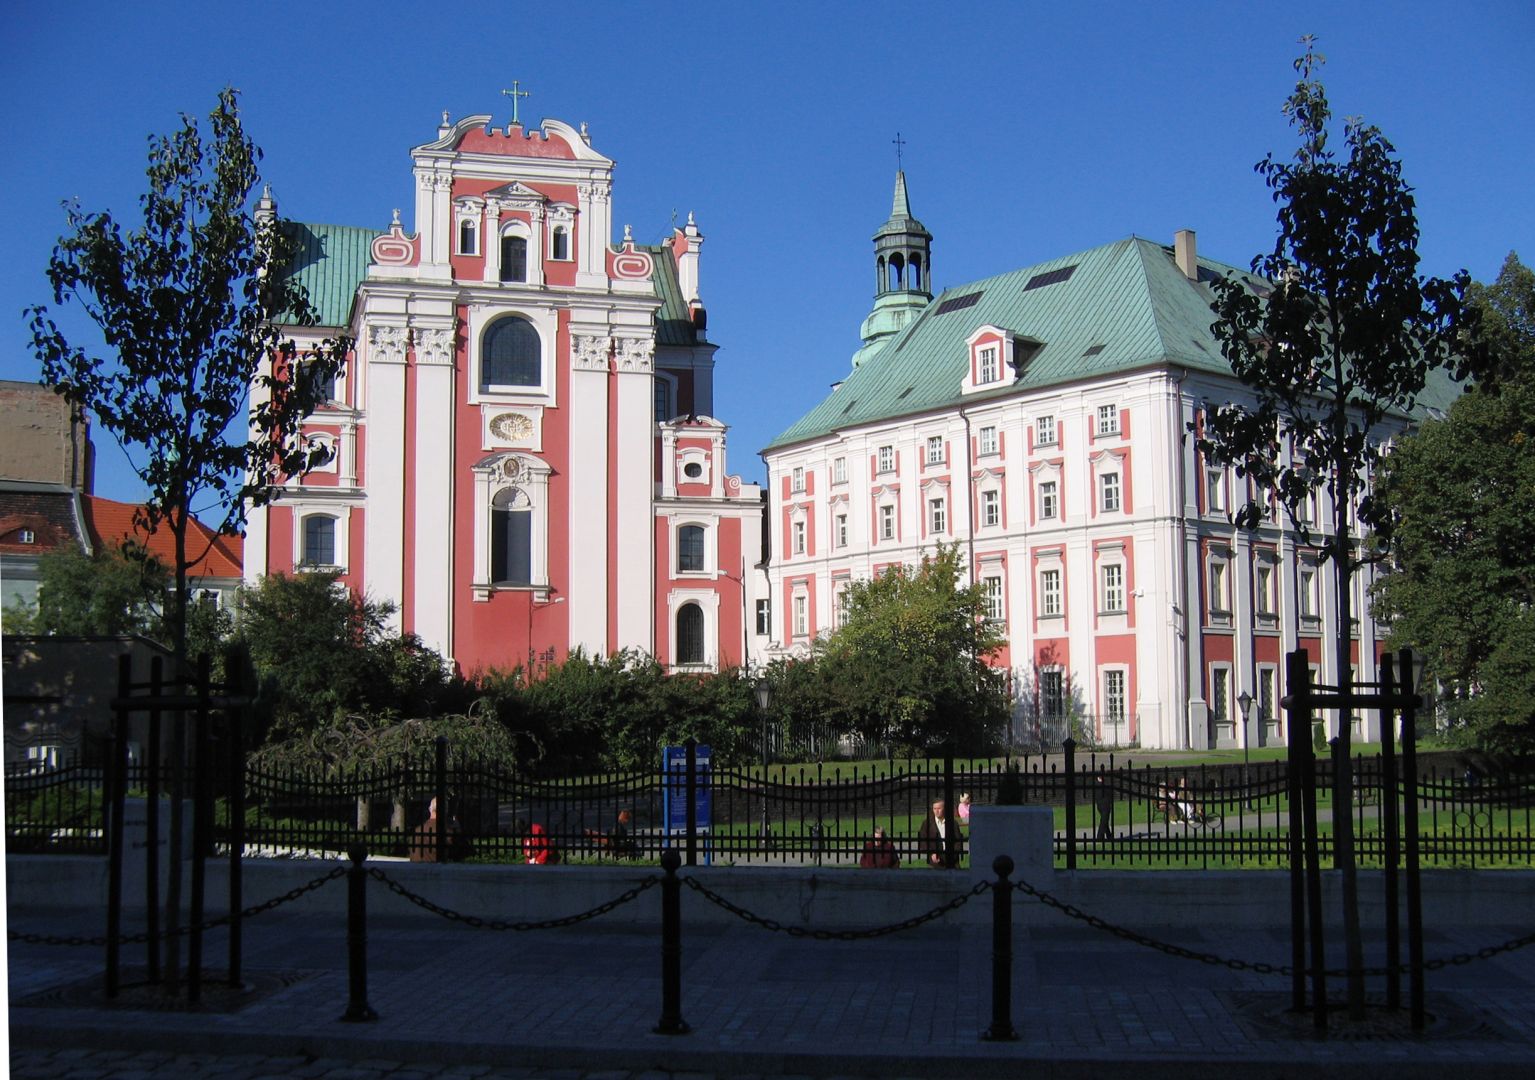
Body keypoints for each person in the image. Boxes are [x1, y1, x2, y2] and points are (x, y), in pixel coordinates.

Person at [408, 797, 469, 863]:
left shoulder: (417, 830)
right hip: (439, 871)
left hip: (417, 871)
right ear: (446, 810)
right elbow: (462, 854)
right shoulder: (448, 831)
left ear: (430, 809)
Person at [916, 798, 961, 868]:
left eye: (939, 808)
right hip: (934, 863)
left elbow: (958, 841)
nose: (936, 811)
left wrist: (953, 856)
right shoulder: (927, 823)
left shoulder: (953, 823)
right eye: (934, 809)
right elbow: (923, 841)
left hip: (952, 862)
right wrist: (931, 853)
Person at [1093, 774, 1114, 840]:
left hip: (1101, 805)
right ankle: (1100, 836)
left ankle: (1109, 835)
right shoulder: (1100, 785)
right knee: (1104, 821)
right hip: (1104, 805)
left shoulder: (1098, 785)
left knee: (1104, 821)